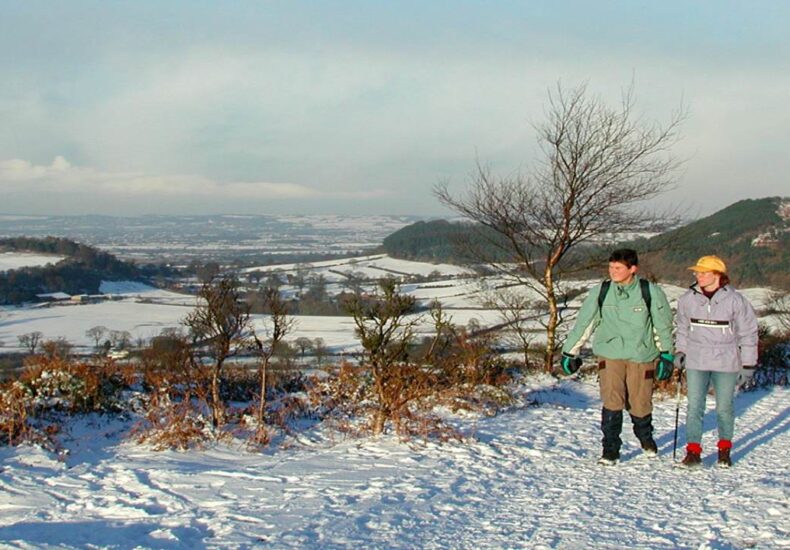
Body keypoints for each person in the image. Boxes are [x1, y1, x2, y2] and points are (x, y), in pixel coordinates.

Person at [560, 249, 674, 465]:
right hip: (610, 354)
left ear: (633, 269)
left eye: (618, 268)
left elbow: (662, 325)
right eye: (611, 267)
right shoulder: (601, 291)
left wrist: (666, 354)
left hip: (641, 355)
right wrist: (570, 351)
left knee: (640, 403)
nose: (613, 272)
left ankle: (645, 436)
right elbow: (585, 322)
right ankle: (610, 449)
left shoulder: (650, 291)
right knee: (612, 400)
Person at [675, 255, 758, 468]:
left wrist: (748, 364)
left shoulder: (736, 301)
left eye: (704, 272)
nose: (698, 276)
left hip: (726, 361)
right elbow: (683, 327)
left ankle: (724, 449)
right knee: (694, 407)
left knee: (724, 407)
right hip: (696, 359)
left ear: (718, 274)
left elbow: (748, 333)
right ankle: (693, 451)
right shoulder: (688, 298)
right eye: (697, 272)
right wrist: (680, 351)